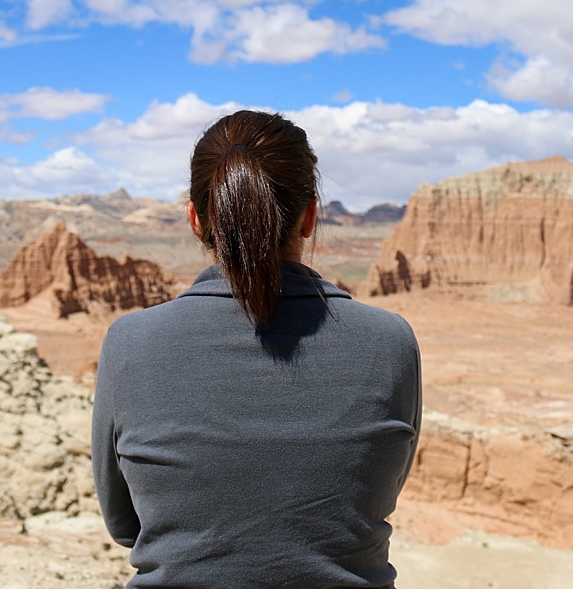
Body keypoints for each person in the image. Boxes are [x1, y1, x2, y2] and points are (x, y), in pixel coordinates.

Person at [92, 109, 421, 589]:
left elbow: (125, 525)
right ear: (309, 216)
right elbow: (373, 496)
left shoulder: (130, 342)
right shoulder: (390, 341)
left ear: (196, 220)